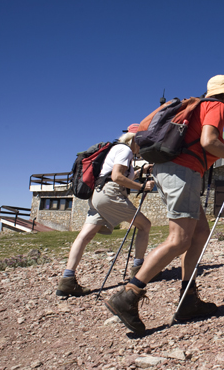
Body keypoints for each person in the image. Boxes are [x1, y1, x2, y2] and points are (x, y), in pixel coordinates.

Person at [104, 75, 224, 334]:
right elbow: (209, 141)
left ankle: (188, 299)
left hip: (174, 170)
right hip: (183, 173)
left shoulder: (197, 107)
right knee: (179, 240)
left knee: (200, 234)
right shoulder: (214, 106)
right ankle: (128, 296)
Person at [56, 124, 155, 297]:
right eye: (142, 141)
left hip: (98, 195)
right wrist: (142, 186)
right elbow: (117, 177)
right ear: (135, 139)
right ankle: (139, 269)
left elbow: (117, 174)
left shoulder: (115, 150)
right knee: (145, 225)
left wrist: (140, 171)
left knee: (85, 236)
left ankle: (67, 279)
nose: (143, 145)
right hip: (111, 194)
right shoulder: (125, 151)